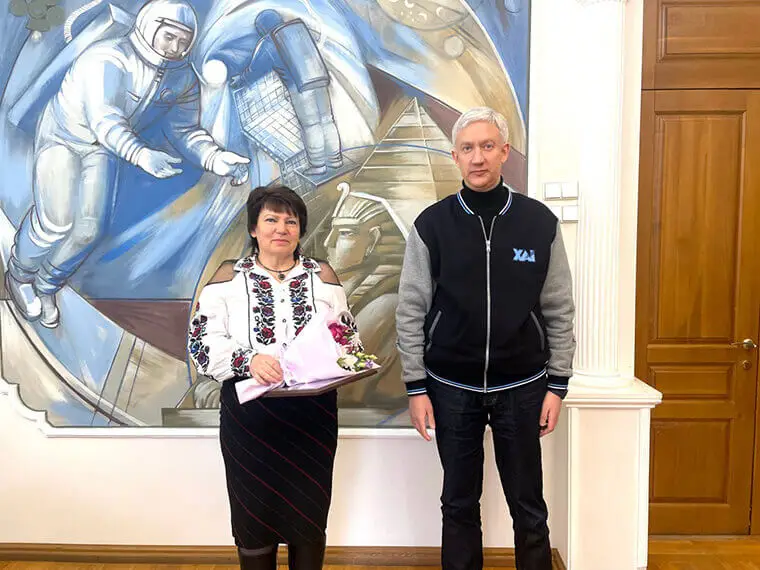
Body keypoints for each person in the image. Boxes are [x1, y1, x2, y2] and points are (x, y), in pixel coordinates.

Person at [395, 107, 575, 570]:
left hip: (523, 385)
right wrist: (416, 388)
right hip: (450, 386)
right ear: (455, 156)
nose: (478, 157)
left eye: (488, 146)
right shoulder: (431, 225)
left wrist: (557, 385)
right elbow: (411, 309)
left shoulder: (538, 223)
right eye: (468, 148)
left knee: (528, 506)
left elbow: (558, 307)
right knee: (458, 503)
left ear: (504, 152)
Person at [6, 0, 250, 329]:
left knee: (88, 230)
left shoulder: (181, 78)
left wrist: (215, 158)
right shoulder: (107, 58)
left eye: (183, 42)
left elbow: (185, 130)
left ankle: (47, 284)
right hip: (64, 137)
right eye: (169, 37)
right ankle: (20, 275)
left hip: (103, 151)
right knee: (55, 221)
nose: (175, 48)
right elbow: (105, 120)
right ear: (150, 27)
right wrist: (141, 155)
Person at [187, 185, 350, 570]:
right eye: (271, 220)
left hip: (313, 418)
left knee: (309, 512)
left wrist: (346, 358)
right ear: (253, 228)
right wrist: (248, 360)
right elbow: (201, 341)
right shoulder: (228, 277)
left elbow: (346, 335)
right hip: (250, 417)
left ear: (301, 229)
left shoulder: (322, 276)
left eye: (290, 221)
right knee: (253, 513)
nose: (281, 229)